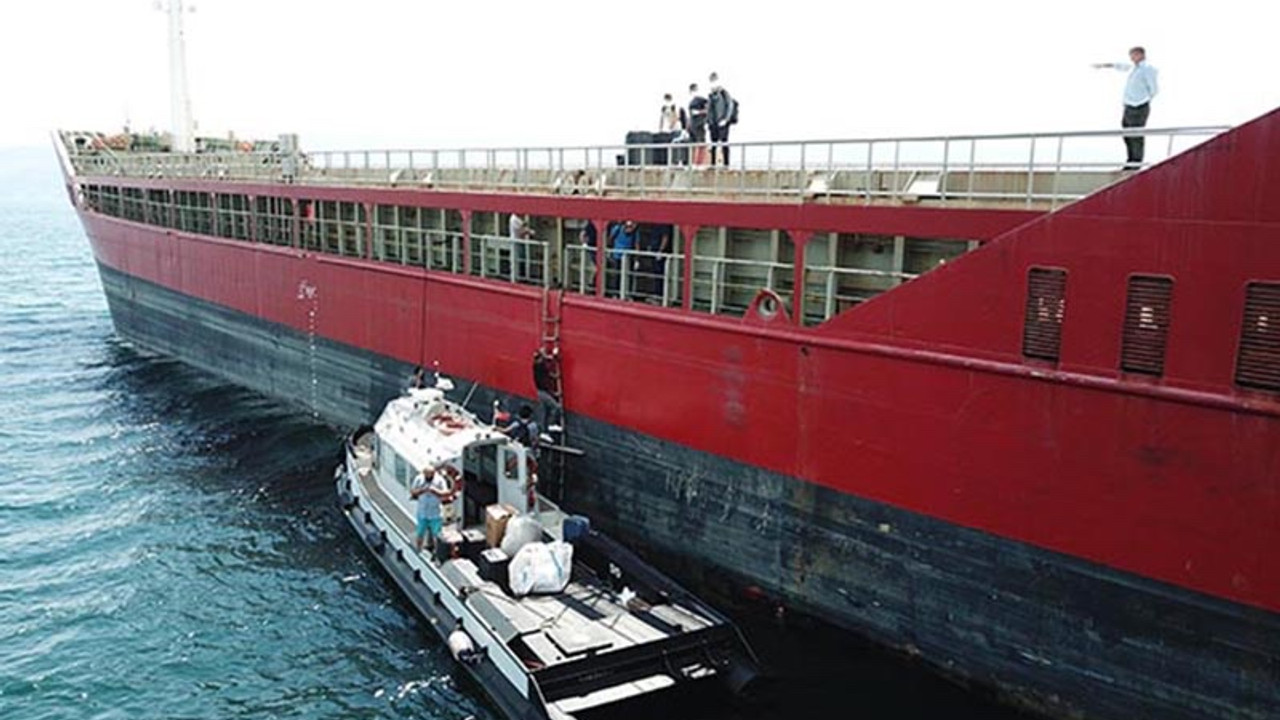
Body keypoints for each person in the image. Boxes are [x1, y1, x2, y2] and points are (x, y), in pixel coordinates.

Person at [1093, 46, 1158, 169]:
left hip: (1139, 106)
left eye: (1133, 55)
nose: (1131, 58)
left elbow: (1154, 89)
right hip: (1129, 106)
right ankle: (1130, 160)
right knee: (1127, 133)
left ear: (1140, 55)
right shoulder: (1134, 68)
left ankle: (1136, 162)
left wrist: (1143, 101)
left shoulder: (1148, 69)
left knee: (1136, 135)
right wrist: (1104, 65)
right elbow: (1120, 66)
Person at [410, 463, 458, 553]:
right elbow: (413, 491)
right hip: (422, 513)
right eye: (426, 475)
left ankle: (436, 553)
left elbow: (446, 494)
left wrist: (435, 492)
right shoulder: (419, 479)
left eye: (430, 475)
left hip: (435, 514)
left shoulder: (439, 480)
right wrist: (423, 490)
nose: (428, 477)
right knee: (420, 533)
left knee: (437, 536)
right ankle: (418, 550)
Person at [707, 72, 737, 166]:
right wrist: (709, 122)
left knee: (724, 142)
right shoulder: (711, 95)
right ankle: (713, 164)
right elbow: (709, 110)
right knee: (713, 144)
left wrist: (726, 119)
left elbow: (730, 105)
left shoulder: (724, 93)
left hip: (723, 123)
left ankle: (726, 164)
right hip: (713, 123)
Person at [532, 347, 562, 430]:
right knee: (556, 407)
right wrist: (554, 355)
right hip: (543, 392)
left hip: (541, 391)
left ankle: (544, 431)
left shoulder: (537, 366)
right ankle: (552, 424)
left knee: (545, 412)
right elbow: (548, 362)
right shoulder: (539, 365)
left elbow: (548, 373)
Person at [607, 220, 639, 297]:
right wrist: (610, 250)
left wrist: (637, 259)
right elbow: (610, 239)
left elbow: (637, 245)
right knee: (616, 276)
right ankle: (615, 293)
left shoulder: (635, 233)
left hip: (629, 257)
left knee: (629, 276)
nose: (629, 229)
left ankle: (628, 294)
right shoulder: (617, 229)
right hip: (617, 256)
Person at [687, 83, 709, 166]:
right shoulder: (691, 102)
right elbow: (690, 115)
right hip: (693, 126)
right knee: (694, 144)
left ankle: (700, 163)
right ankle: (694, 162)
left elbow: (709, 109)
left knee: (701, 143)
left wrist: (700, 112)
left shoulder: (701, 99)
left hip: (700, 124)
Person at [508, 212, 535, 281]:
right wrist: (530, 232)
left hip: (519, 241)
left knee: (520, 259)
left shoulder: (517, 218)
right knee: (515, 260)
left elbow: (523, 226)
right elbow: (521, 228)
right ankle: (515, 278)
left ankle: (520, 276)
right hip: (515, 242)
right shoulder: (513, 218)